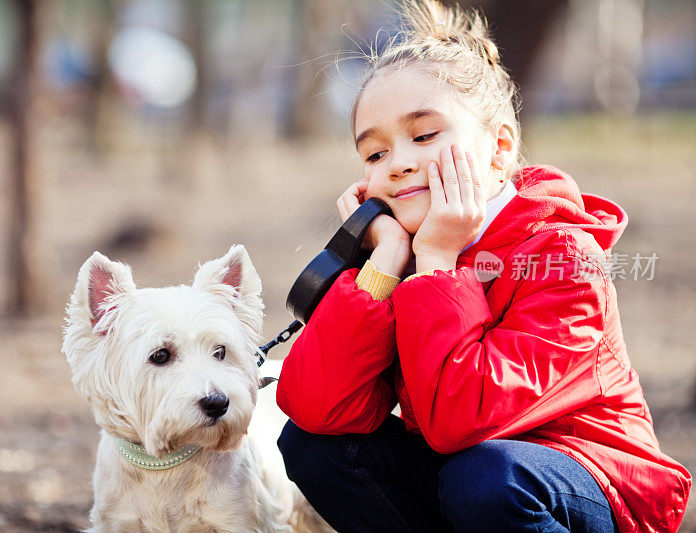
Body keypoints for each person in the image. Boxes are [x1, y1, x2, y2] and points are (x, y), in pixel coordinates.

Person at [274, 1, 691, 532]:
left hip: (590, 482)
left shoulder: (563, 256)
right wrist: (382, 263)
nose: (398, 163)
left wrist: (439, 262)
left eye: (424, 136)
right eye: (374, 155)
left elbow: (461, 422)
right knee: (313, 447)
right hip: (468, 472)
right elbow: (314, 406)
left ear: (498, 151)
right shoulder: (402, 255)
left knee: (486, 478)